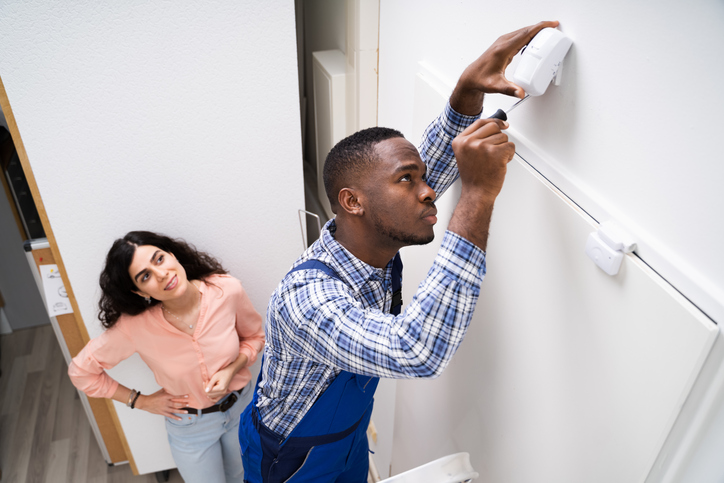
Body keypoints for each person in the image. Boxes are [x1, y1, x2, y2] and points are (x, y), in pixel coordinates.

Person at [238, 20, 559, 482]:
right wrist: (477, 196)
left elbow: (427, 164)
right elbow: (415, 350)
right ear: (353, 201)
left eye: (422, 179)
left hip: (345, 438)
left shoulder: (371, 233)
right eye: (408, 180)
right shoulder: (307, 299)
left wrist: (467, 90)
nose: (429, 192)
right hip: (290, 458)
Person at [68, 231, 265, 483]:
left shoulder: (226, 289)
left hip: (242, 408)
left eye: (159, 259)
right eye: (145, 276)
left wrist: (233, 368)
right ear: (138, 291)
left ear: (172, 255)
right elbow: (81, 371)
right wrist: (139, 401)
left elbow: (255, 338)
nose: (161, 274)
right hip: (191, 427)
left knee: (244, 477)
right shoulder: (134, 328)